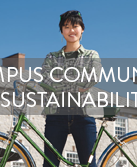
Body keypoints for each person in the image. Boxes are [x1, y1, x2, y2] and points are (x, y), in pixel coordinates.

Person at [41, 10, 102, 167]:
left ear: (82, 29)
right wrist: (78, 82)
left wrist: (60, 79)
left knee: (89, 165)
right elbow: (47, 81)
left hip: (83, 115)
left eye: (75, 26)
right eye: (66, 26)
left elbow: (93, 78)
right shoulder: (51, 57)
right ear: (61, 31)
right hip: (56, 115)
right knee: (49, 164)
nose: (71, 30)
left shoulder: (91, 55)